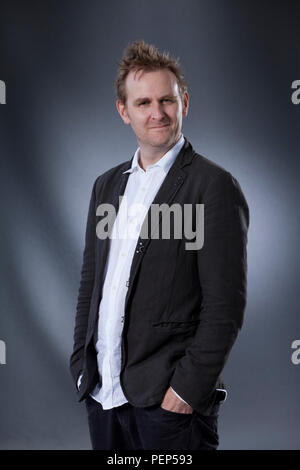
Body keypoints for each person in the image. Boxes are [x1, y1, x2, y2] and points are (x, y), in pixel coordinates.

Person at [69, 39, 249, 450]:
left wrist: (184, 393)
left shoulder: (214, 187)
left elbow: (225, 307)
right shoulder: (106, 186)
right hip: (104, 395)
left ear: (184, 101)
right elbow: (91, 283)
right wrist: (82, 363)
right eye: (144, 102)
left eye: (167, 101)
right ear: (123, 111)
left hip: (169, 407)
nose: (157, 113)